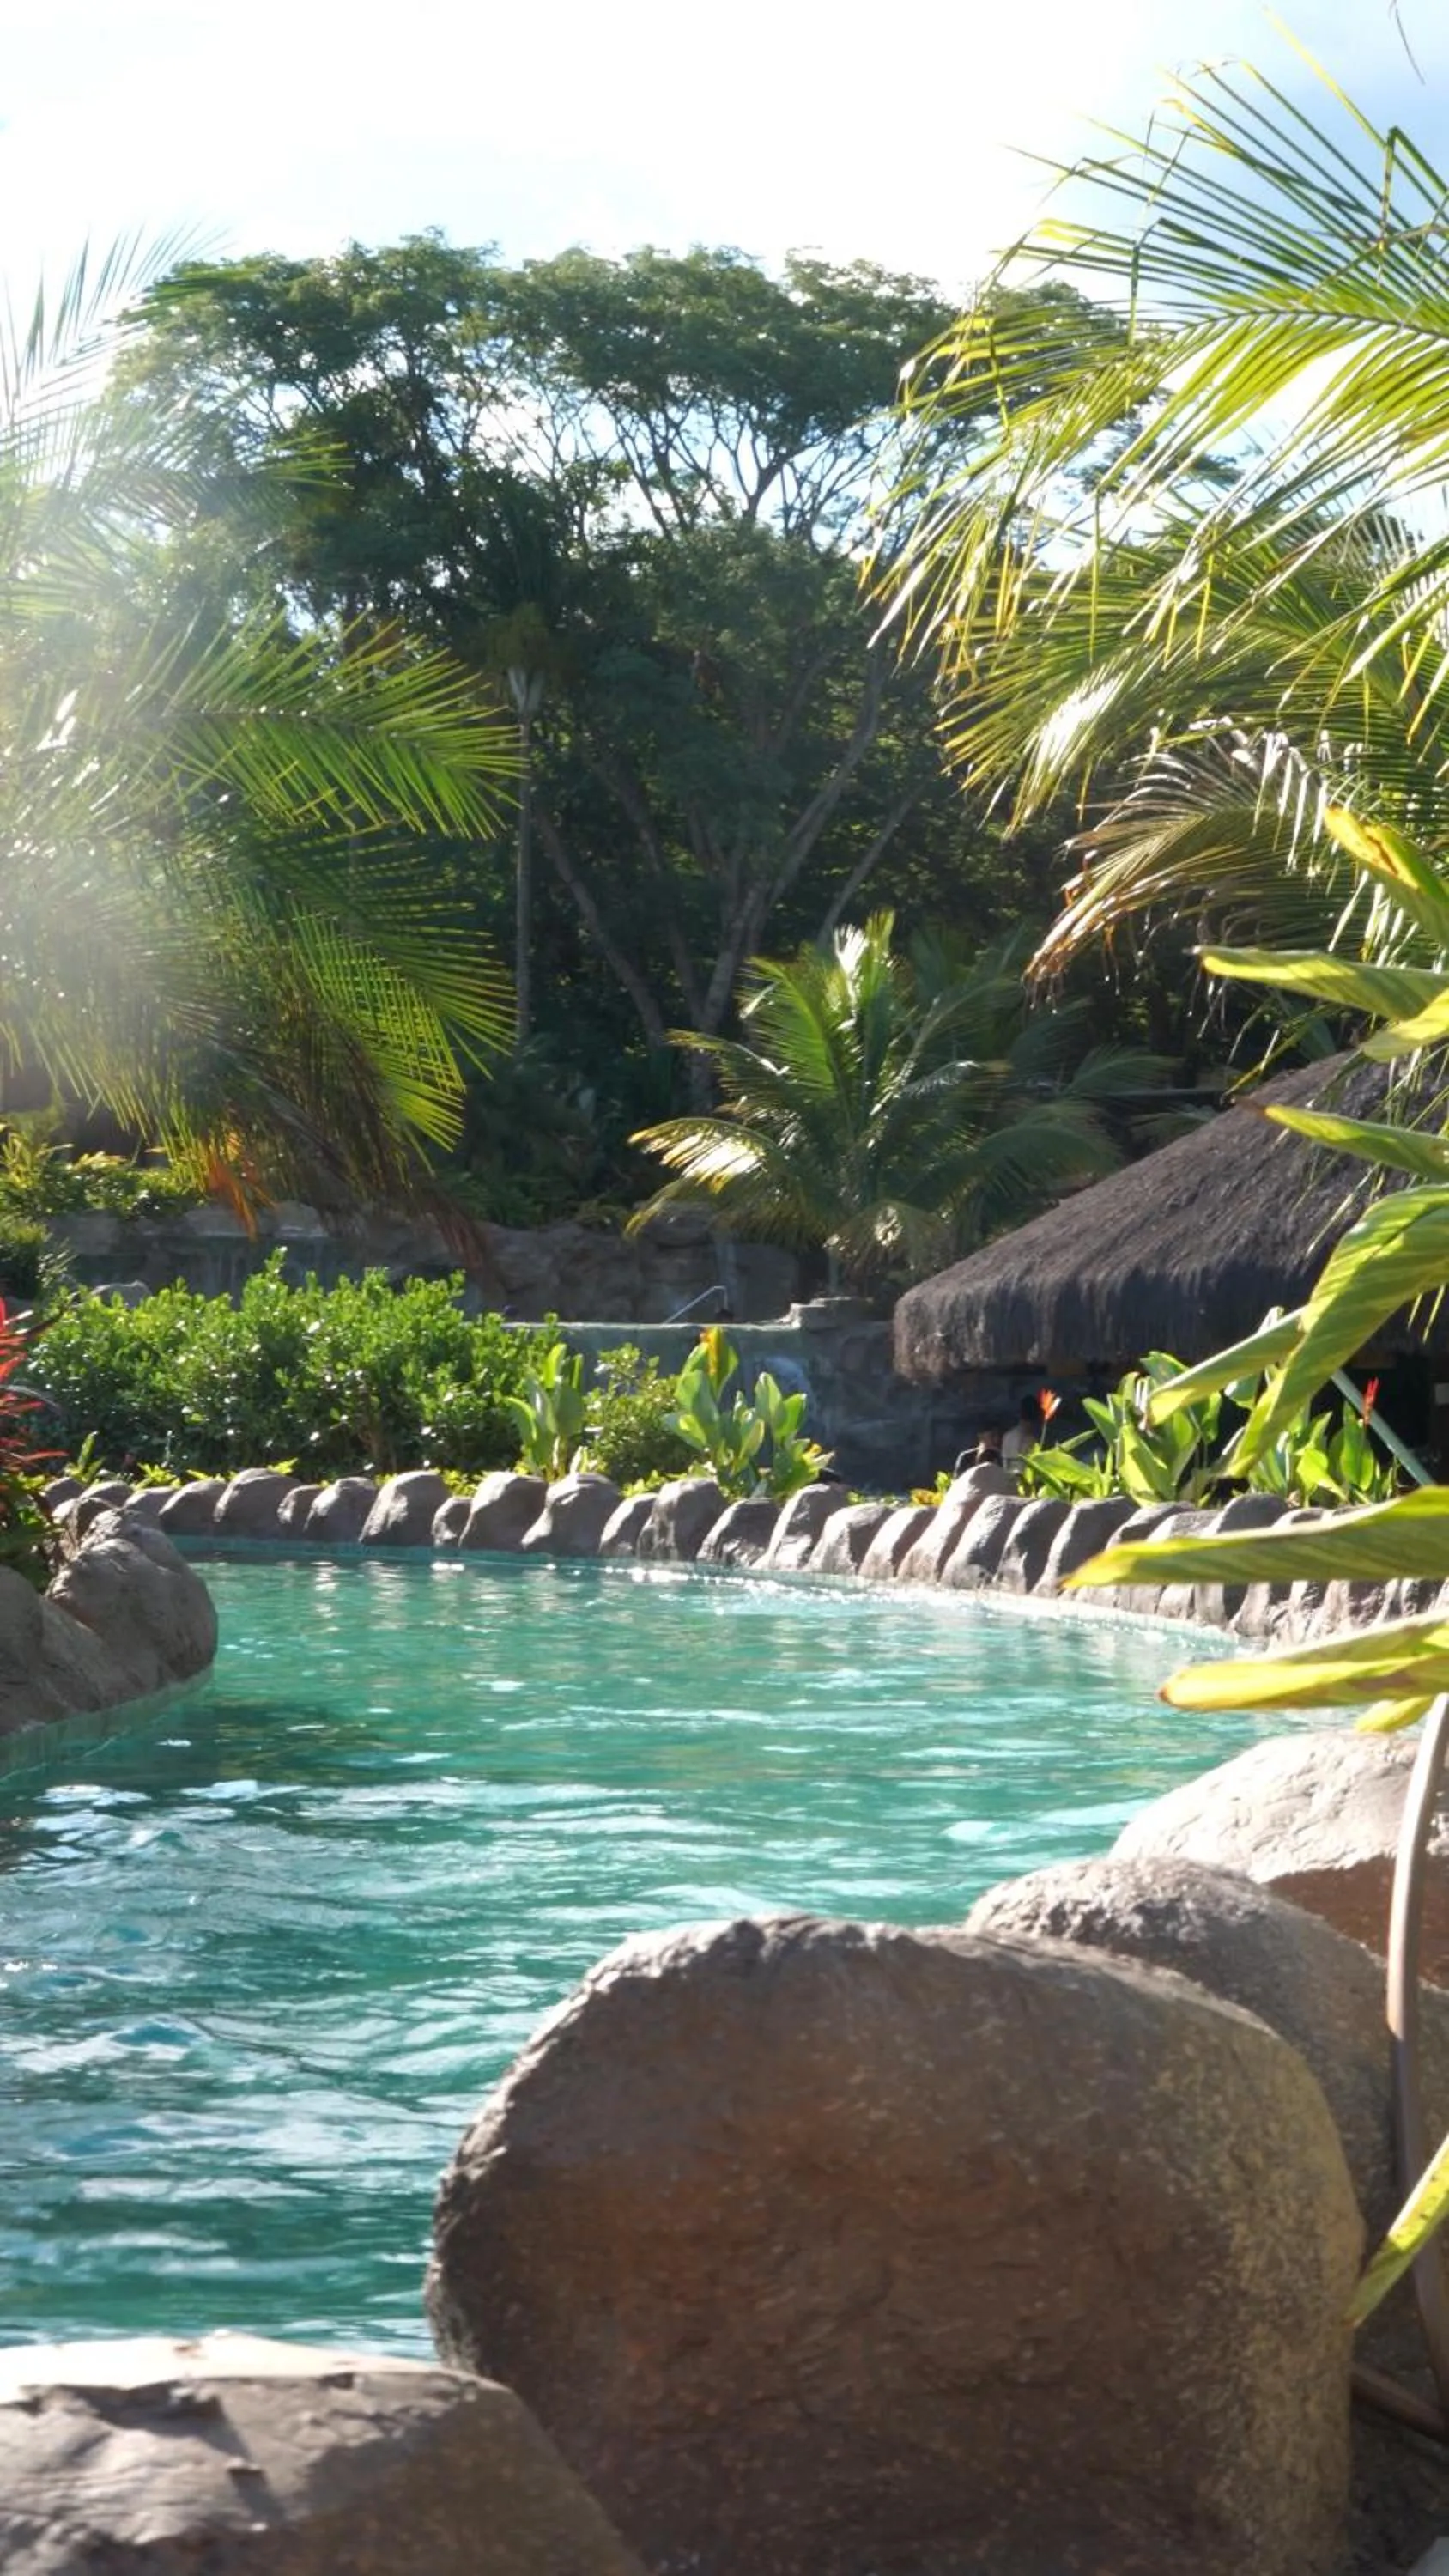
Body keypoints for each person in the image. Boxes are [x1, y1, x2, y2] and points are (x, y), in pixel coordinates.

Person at [1001, 1396, 1040, 1474]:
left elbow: (1005, 1465)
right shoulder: (1031, 1440)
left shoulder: (1007, 1436)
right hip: (1024, 1482)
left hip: (1008, 1481)